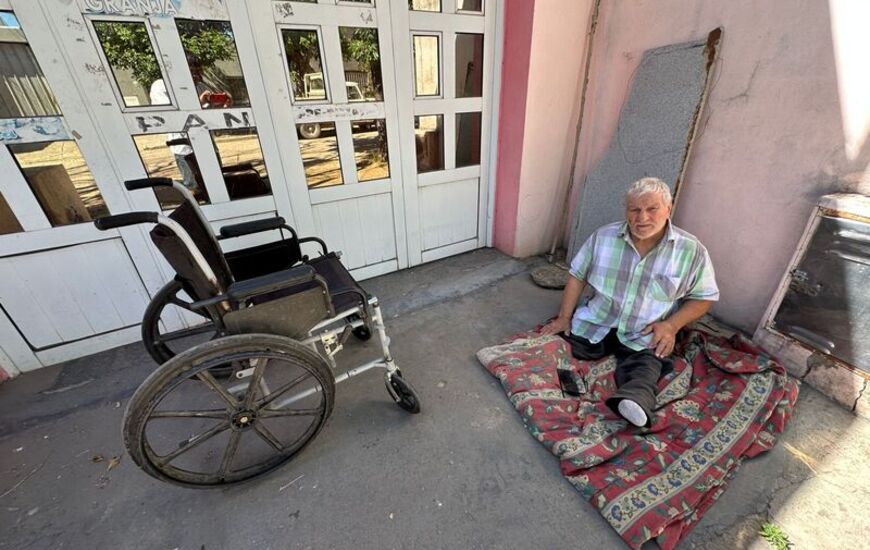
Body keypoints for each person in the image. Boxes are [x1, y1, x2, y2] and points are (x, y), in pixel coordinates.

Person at [542, 177, 719, 428]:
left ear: (668, 209)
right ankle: (567, 393)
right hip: (598, 320)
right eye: (634, 209)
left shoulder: (692, 251)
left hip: (644, 330)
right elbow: (577, 275)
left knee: (646, 367)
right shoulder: (603, 237)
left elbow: (704, 297)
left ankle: (632, 400)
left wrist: (671, 326)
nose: (641, 217)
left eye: (652, 208)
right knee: (559, 352)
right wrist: (564, 317)